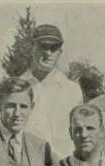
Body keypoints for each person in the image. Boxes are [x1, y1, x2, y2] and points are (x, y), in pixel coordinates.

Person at [21, 24, 83, 158]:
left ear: (60, 52)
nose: (48, 53)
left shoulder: (72, 90)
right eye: (43, 46)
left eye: (53, 48)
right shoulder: (18, 87)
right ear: (31, 48)